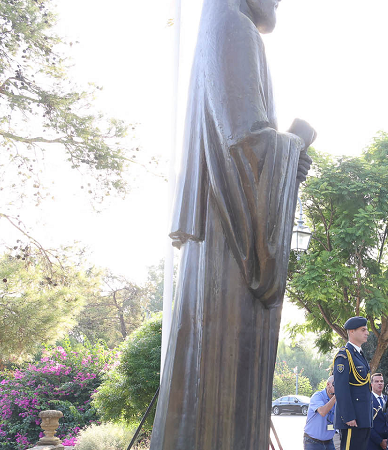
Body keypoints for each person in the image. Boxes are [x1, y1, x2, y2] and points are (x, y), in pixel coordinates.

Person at [150, 0, 314, 447]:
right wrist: (293, 145)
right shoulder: (234, 29)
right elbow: (243, 141)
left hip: (219, 235)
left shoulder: (221, 28)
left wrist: (287, 155)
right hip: (230, 246)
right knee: (221, 385)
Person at [335, 317, 373, 450]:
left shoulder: (359, 355)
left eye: (366, 330)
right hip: (353, 419)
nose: (367, 333)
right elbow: (341, 388)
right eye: (363, 330)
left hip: (363, 418)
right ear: (351, 331)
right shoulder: (345, 355)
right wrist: (348, 416)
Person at [305, 376, 338, 450]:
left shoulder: (339, 400)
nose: (338, 388)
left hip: (329, 441)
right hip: (312, 442)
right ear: (328, 384)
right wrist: (335, 397)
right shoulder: (317, 396)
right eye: (336, 385)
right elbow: (323, 412)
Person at [368, 373, 388, 450]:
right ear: (371, 384)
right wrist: (380, 441)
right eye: (376, 381)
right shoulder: (367, 400)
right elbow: (367, 424)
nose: (380, 383)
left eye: (381, 381)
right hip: (372, 443)